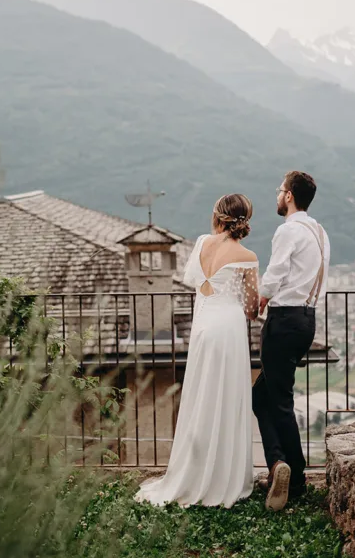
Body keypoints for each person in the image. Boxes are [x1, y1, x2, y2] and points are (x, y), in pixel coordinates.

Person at [134, 194, 260, 508]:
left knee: (201, 397)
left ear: (218, 216)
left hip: (203, 329)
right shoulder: (247, 256)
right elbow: (251, 306)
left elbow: (195, 281)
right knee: (227, 397)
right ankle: (223, 476)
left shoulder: (203, 243)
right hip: (229, 330)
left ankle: (193, 472)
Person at [254, 170, 330, 511]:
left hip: (284, 319)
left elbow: (276, 272)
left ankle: (294, 476)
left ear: (289, 196)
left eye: (280, 189)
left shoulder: (288, 231)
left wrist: (260, 297)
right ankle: (278, 466)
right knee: (262, 395)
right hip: (307, 319)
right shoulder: (319, 232)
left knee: (279, 401)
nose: (277, 193)